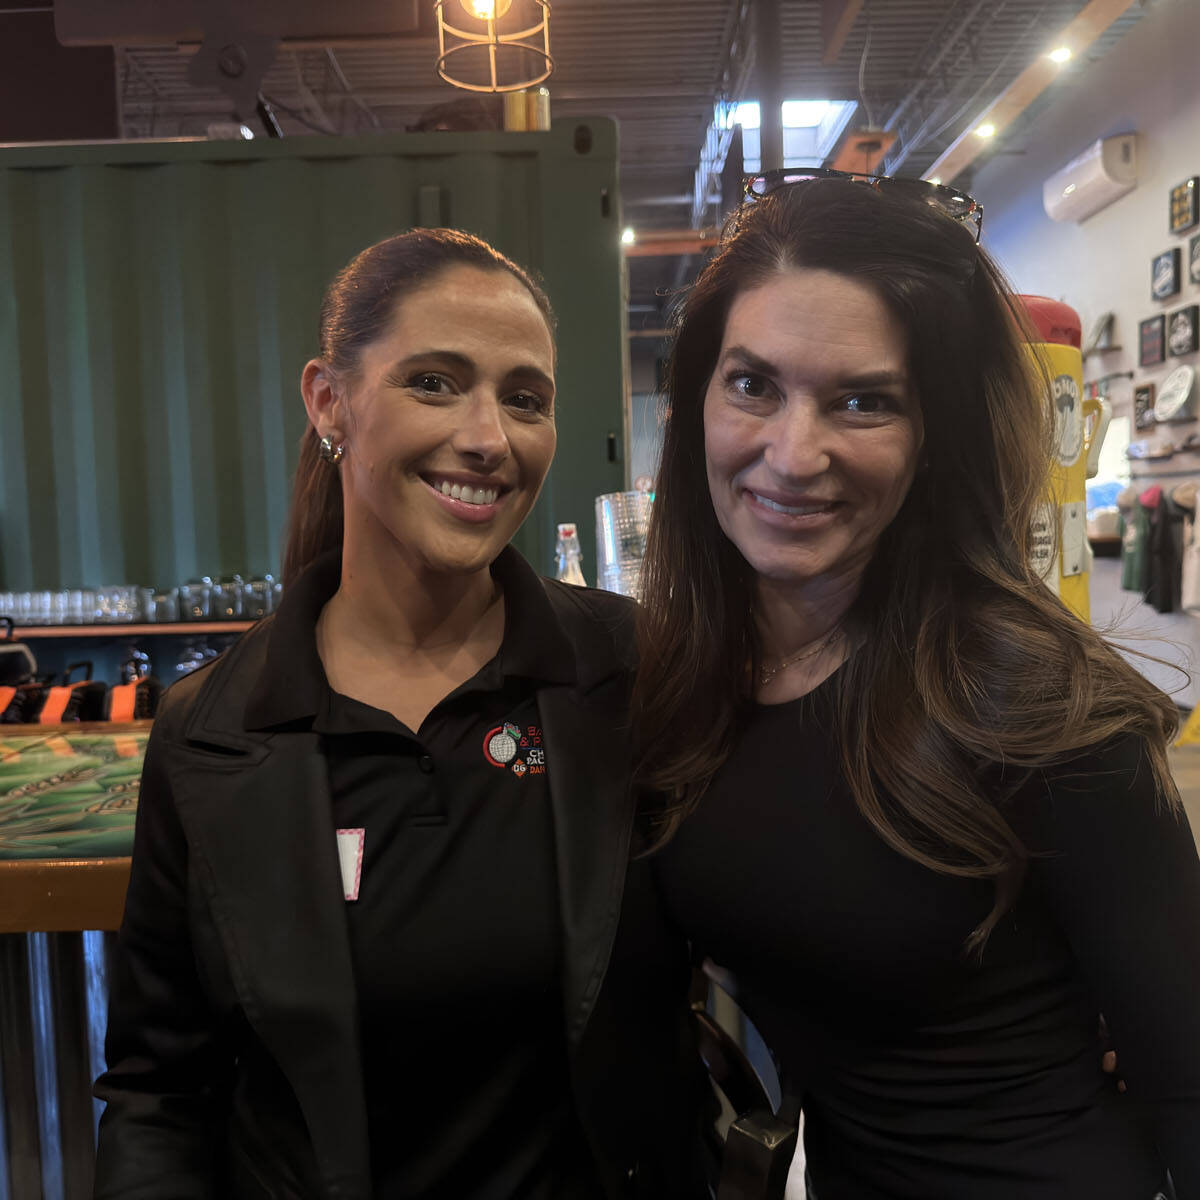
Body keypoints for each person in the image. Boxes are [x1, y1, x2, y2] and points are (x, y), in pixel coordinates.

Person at [93, 228, 704, 1200]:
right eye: (434, 382)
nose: (488, 438)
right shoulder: (215, 731)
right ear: (329, 401)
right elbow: (161, 1089)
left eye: (525, 398)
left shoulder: (631, 674)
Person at [633, 173, 1200, 1199]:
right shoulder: (679, 678)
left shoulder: (1039, 704)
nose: (793, 455)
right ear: (697, 403)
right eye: (753, 384)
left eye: (862, 401)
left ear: (932, 436)